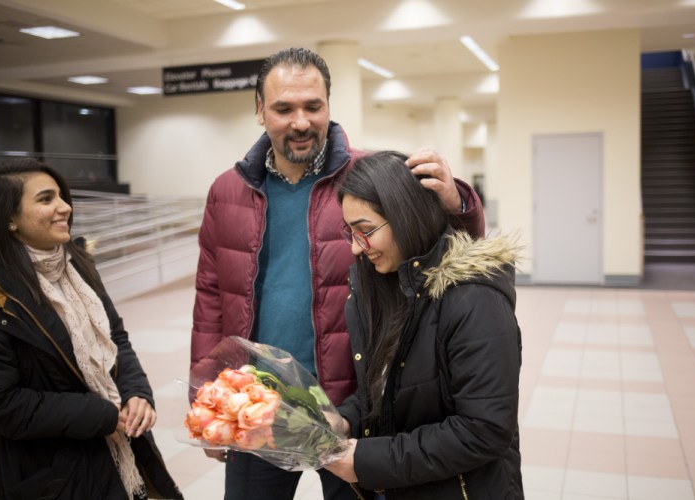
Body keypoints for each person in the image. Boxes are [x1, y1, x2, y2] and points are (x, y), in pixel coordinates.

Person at [190, 47, 485, 500]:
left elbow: (447, 251)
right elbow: (211, 296)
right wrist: (208, 395)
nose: (301, 122)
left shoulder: (371, 178)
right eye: (283, 108)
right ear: (259, 111)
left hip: (354, 400)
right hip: (257, 404)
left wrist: (458, 202)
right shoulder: (227, 191)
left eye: (313, 106)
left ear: (329, 104)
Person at [325, 151, 524, 499]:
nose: (357, 248)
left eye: (366, 231)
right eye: (351, 232)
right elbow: (384, 386)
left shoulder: (474, 299)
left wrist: (365, 460)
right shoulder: (382, 286)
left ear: (407, 216)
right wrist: (343, 420)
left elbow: (484, 430)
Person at [0, 158, 183, 500]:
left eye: (62, 196)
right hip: (50, 474)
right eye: (46, 199)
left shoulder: (77, 264)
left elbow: (116, 337)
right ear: (9, 219)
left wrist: (137, 392)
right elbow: (2, 404)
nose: (65, 207)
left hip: (118, 455)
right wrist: (102, 414)